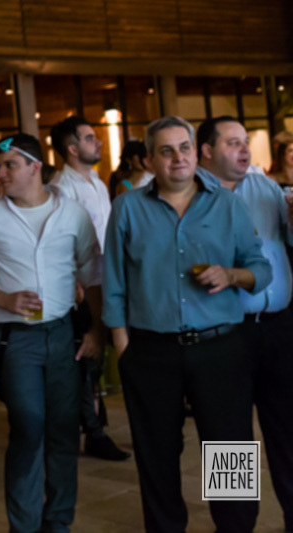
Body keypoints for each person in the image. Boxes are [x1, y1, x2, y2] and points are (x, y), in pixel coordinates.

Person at [103, 116, 271, 533]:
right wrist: (126, 353)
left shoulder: (228, 204)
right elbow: (113, 285)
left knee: (229, 452)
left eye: (185, 148)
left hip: (220, 348)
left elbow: (260, 269)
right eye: (166, 150)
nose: (178, 158)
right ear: (149, 159)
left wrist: (230, 276)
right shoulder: (127, 208)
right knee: (156, 456)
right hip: (150, 351)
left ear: (197, 153)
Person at [0, 133, 103, 533]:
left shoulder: (72, 212)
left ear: (34, 167)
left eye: (9, 166)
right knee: (27, 427)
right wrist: (4, 299)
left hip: (63, 334)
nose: (0, 174)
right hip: (17, 340)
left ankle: (59, 522)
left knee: (62, 430)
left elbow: (92, 274)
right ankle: (22, 526)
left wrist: (97, 330)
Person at [197, 116, 293, 532]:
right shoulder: (191, 195)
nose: (244, 150)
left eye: (245, 143)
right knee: (229, 440)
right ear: (206, 150)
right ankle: (234, 527)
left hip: (278, 327)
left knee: (289, 431)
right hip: (224, 334)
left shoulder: (264, 186)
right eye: (232, 143)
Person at [50, 116, 130, 462]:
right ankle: (93, 432)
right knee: (86, 356)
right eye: (89, 138)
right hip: (82, 287)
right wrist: (77, 286)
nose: (97, 143)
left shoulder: (97, 181)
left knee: (97, 360)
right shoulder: (60, 188)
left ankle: (97, 422)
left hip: (105, 278)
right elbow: (60, 242)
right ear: (71, 149)